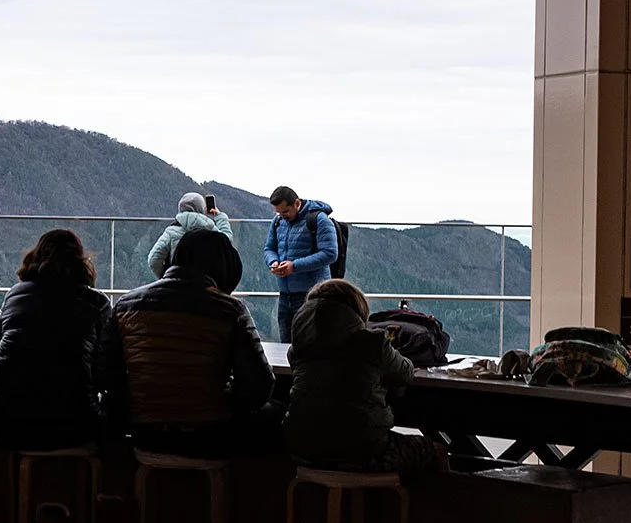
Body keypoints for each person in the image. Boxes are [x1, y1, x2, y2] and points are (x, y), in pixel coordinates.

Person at [98, 229, 277, 458]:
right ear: (224, 268)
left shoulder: (126, 304)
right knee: (276, 411)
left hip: (143, 434)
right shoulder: (230, 309)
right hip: (208, 435)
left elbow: (104, 372)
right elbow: (260, 387)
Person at [284, 278, 441, 480]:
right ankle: (411, 510)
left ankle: (329, 509)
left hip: (303, 449)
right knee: (436, 452)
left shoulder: (297, 350)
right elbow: (405, 372)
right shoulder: (372, 342)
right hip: (362, 450)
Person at [0, 229, 110, 452]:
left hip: (11, 426)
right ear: (80, 263)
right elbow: (106, 371)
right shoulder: (96, 303)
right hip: (74, 428)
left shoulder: (13, 297)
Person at [263, 186, 340, 343]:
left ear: (297, 203)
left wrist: (294, 266)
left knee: (311, 344)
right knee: (286, 346)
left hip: (312, 295)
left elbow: (330, 253)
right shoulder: (278, 221)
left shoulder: (319, 220)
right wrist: (274, 262)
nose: (282, 216)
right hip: (285, 295)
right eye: (278, 212)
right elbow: (269, 248)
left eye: (286, 212)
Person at [149, 191, 233, 279]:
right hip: (205, 287)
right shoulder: (211, 230)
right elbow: (226, 242)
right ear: (202, 209)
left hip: (178, 286)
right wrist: (220, 216)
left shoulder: (171, 232)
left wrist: (167, 278)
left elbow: (154, 259)